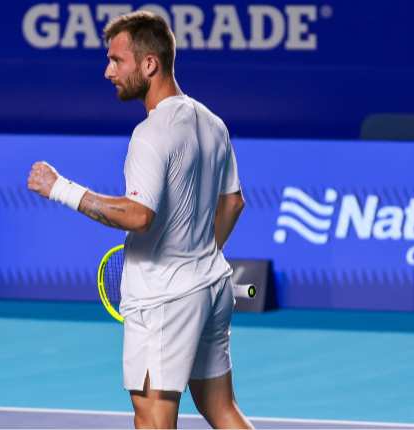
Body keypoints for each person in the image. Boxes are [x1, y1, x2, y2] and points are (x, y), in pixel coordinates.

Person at [27, 11, 252, 430]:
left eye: (117, 60)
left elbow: (138, 216)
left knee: (152, 419)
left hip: (164, 299)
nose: (108, 71)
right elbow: (234, 203)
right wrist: (199, 255)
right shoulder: (212, 122)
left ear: (150, 64)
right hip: (212, 286)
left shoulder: (150, 134)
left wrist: (60, 189)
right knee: (222, 409)